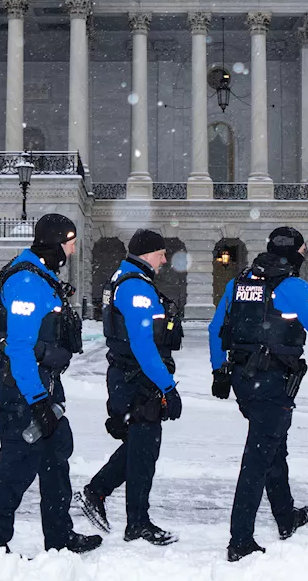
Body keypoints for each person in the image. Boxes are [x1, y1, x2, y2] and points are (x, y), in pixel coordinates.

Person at [209, 227, 308, 562]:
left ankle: (285, 516)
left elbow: (215, 329)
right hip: (271, 381)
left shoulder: (240, 281)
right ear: (295, 252)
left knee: (272, 447)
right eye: (304, 248)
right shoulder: (294, 287)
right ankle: (240, 538)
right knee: (257, 458)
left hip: (242, 378)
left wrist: (219, 369)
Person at [0, 214, 102, 565]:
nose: (74, 248)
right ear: (56, 242)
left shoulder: (42, 278)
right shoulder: (27, 282)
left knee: (56, 453)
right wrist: (37, 401)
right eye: (70, 241)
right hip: (23, 391)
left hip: (40, 386)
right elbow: (19, 347)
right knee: (15, 468)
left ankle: (59, 536)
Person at [76, 229, 182, 545]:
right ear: (148, 253)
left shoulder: (126, 278)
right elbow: (143, 345)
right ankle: (136, 521)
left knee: (140, 446)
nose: (165, 259)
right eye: (161, 253)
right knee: (145, 449)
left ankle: (97, 492)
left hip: (127, 376)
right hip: (138, 378)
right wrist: (168, 387)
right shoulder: (136, 287)